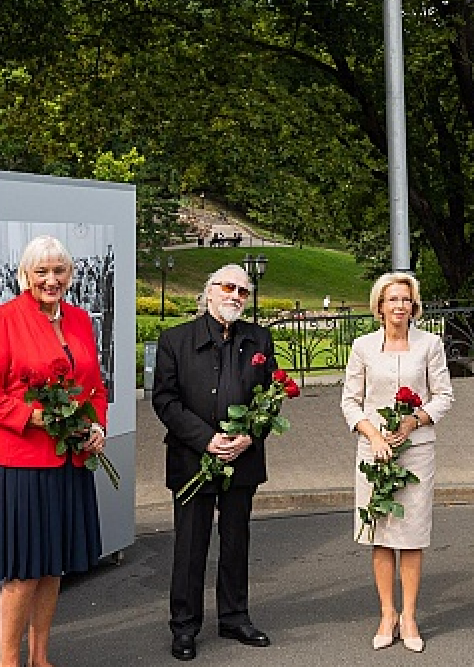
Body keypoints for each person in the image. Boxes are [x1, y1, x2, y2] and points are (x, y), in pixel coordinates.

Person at [0, 235, 107, 667]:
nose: (52, 279)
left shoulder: (81, 320)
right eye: (42, 271)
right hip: (19, 464)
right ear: (25, 275)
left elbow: (94, 388)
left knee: (54, 567)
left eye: (59, 270)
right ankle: (9, 663)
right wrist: (35, 418)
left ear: (70, 273)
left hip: (69, 460)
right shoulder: (4, 320)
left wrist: (96, 424)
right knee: (23, 572)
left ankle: (40, 658)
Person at [153, 264, 279, 661]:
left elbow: (270, 397)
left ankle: (235, 616)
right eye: (228, 287)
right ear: (209, 292)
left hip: (242, 459)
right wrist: (206, 439)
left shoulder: (259, 339)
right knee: (190, 546)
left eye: (243, 291)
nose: (236, 296)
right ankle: (185, 625)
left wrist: (249, 436)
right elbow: (165, 400)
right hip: (193, 459)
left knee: (236, 540)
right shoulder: (175, 339)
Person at [341, 272, 455, 653]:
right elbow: (350, 401)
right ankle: (386, 614)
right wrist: (373, 435)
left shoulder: (430, 344)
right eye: (392, 299)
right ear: (379, 306)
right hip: (375, 452)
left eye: (405, 300)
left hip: (417, 450)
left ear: (414, 305)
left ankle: (409, 616)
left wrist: (414, 420)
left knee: (411, 536)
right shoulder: (363, 347)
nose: (399, 306)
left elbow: (443, 396)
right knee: (381, 532)